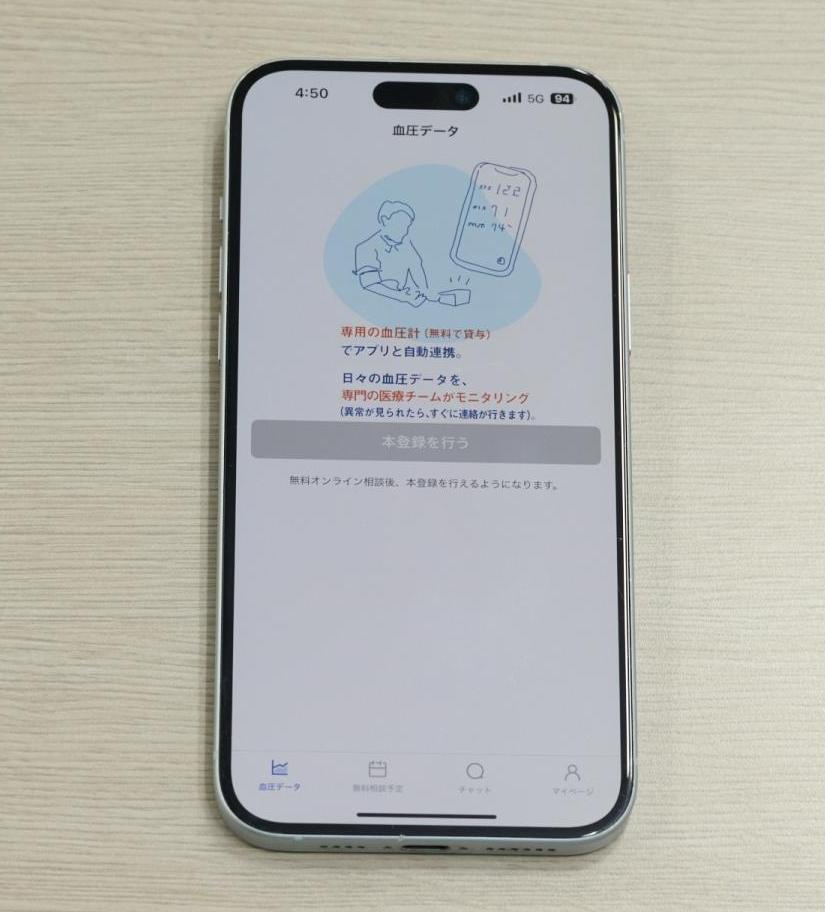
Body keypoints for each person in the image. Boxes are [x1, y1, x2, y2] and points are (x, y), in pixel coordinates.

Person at [353, 201, 437, 308]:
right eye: (400, 225)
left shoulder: (405, 244)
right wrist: (402, 297)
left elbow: (416, 266)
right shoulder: (366, 248)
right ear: (385, 221)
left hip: (401, 303)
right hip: (375, 304)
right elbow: (370, 284)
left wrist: (424, 291)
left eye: (407, 226)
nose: (405, 231)